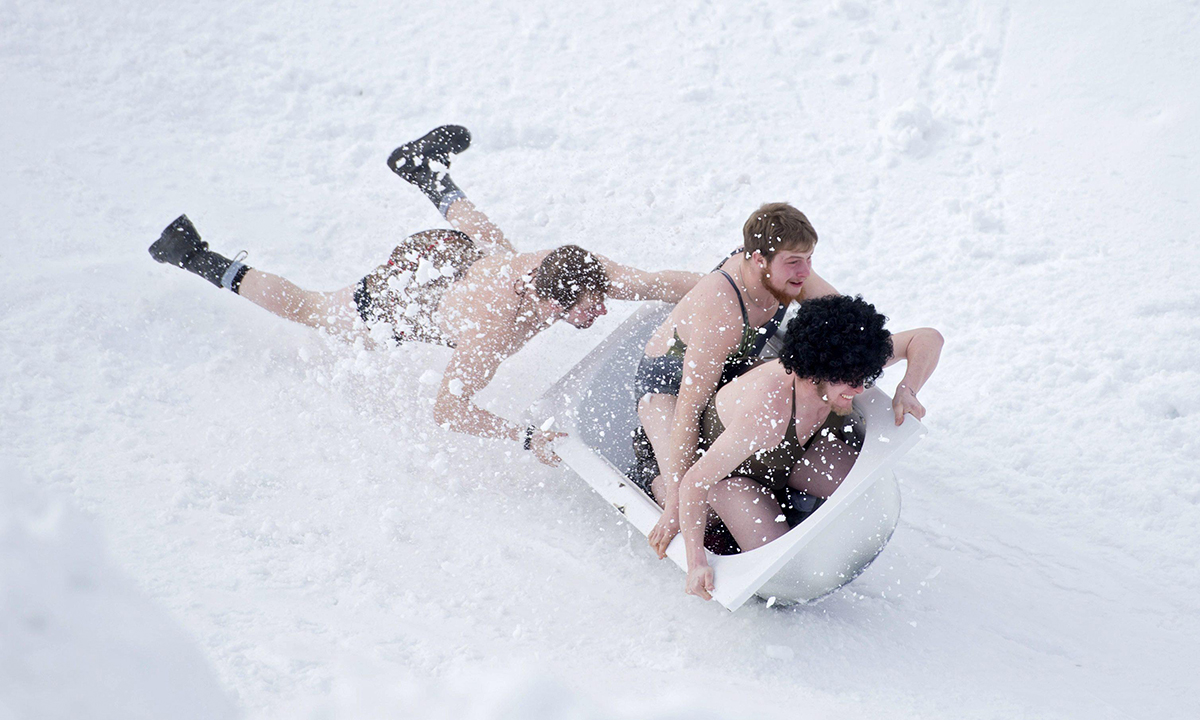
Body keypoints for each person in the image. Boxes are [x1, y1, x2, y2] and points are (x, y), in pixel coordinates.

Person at [148, 125, 703, 466]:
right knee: (315, 310)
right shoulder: (489, 334)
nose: (601, 310)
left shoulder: (575, 269)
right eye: (587, 308)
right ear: (549, 302)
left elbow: (656, 281)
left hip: (467, 264)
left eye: (598, 299)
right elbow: (447, 409)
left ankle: (421, 168)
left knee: (496, 248)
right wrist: (526, 436)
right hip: (406, 292)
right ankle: (196, 256)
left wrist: (729, 289)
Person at [668, 294, 943, 600]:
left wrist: (907, 389)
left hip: (795, 452)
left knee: (866, 488)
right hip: (733, 478)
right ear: (813, 371)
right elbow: (694, 481)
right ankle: (685, 502)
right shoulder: (765, 415)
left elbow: (928, 338)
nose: (861, 388)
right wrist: (695, 564)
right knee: (782, 574)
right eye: (850, 380)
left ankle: (792, 499)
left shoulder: (849, 360)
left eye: (865, 376)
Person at [635, 202, 841, 558]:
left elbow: (842, 314)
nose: (806, 270)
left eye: (809, 258)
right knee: (682, 496)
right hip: (668, 389)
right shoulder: (721, 312)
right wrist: (674, 509)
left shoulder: (783, 271)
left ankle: (766, 481)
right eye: (795, 261)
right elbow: (688, 409)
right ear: (758, 259)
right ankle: (651, 478)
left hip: (727, 371)